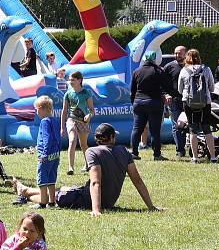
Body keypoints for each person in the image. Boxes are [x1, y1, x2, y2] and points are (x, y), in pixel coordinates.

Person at [15, 123, 162, 215]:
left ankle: (26, 192)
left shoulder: (93, 152)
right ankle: (26, 189)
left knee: (55, 197)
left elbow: (95, 182)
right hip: (105, 200)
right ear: (111, 137)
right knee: (61, 190)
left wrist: (96, 209)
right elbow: (137, 180)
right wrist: (151, 206)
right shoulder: (123, 151)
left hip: (87, 199)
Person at [178, 49, 217, 163]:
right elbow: (212, 88)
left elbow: (180, 90)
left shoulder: (184, 70)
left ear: (187, 58)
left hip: (188, 102)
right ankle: (213, 157)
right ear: (199, 57)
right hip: (205, 102)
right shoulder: (206, 69)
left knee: (192, 129)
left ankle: (195, 157)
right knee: (206, 128)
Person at [130, 51, 168, 161]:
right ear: (154, 59)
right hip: (154, 102)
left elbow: (132, 91)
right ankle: (157, 154)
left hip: (139, 102)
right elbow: (166, 87)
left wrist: (134, 103)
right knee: (155, 130)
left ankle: (134, 153)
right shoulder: (159, 71)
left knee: (137, 129)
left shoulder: (137, 71)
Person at [61, 71, 94, 175]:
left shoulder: (86, 93)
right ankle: (70, 167)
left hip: (83, 121)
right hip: (71, 119)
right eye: (70, 80)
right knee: (72, 141)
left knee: (83, 144)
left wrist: (89, 115)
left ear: (79, 80)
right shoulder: (68, 93)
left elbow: (92, 110)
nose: (70, 82)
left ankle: (88, 163)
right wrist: (62, 127)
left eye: (73, 80)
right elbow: (64, 111)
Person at [31, 95, 60, 209]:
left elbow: (47, 138)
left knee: (42, 177)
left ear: (43, 108)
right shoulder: (55, 120)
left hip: (46, 154)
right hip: (55, 154)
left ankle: (43, 202)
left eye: (37, 109)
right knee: (52, 177)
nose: (37, 112)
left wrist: (44, 153)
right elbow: (57, 138)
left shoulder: (44, 121)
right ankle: (52, 202)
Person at [163, 46, 188, 158]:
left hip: (189, 100)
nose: (177, 55)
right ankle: (180, 150)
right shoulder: (169, 67)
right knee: (176, 125)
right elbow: (163, 83)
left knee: (192, 125)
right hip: (174, 100)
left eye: (180, 53)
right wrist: (166, 94)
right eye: (176, 53)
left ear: (186, 54)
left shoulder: (190, 66)